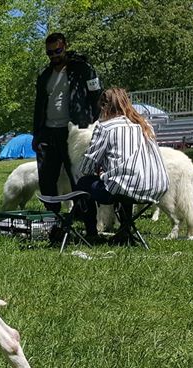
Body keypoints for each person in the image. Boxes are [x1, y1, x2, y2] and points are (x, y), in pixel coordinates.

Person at [76, 88, 169, 242]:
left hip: (126, 187)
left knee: (83, 184)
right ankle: (125, 230)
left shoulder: (105, 127)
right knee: (122, 181)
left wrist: (96, 170)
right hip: (156, 187)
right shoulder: (145, 124)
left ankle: (92, 234)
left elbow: (88, 166)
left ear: (104, 106)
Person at [32, 32, 102, 219]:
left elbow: (97, 97)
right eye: (50, 53)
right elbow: (38, 106)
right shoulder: (44, 74)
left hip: (74, 132)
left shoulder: (83, 68)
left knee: (79, 177)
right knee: (46, 178)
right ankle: (51, 219)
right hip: (48, 132)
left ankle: (88, 222)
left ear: (65, 46)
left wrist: (90, 126)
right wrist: (36, 134)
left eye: (58, 50)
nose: (54, 55)